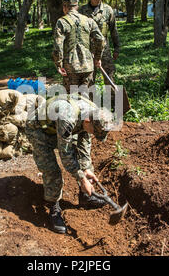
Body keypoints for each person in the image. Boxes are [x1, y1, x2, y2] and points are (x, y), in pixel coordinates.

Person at [25, 93, 115, 234]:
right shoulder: (67, 117)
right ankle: (53, 208)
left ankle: (86, 197)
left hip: (59, 127)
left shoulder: (94, 113)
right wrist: (81, 177)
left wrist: (86, 169)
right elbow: (65, 155)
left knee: (85, 162)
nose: (94, 134)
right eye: (94, 132)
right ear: (87, 122)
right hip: (39, 130)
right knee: (52, 170)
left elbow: (85, 143)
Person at [53, 0, 104, 98]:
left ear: (65, 7)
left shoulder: (62, 22)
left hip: (70, 67)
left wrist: (59, 64)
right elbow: (100, 39)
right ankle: (87, 114)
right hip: (88, 66)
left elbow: (58, 45)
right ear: (76, 6)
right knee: (86, 99)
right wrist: (98, 58)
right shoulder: (88, 21)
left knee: (72, 100)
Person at [79, 0, 120, 82]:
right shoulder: (81, 11)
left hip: (104, 50)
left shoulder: (108, 10)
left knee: (109, 76)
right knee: (88, 79)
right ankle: (90, 97)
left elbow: (114, 30)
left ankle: (112, 97)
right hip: (87, 50)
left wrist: (117, 48)